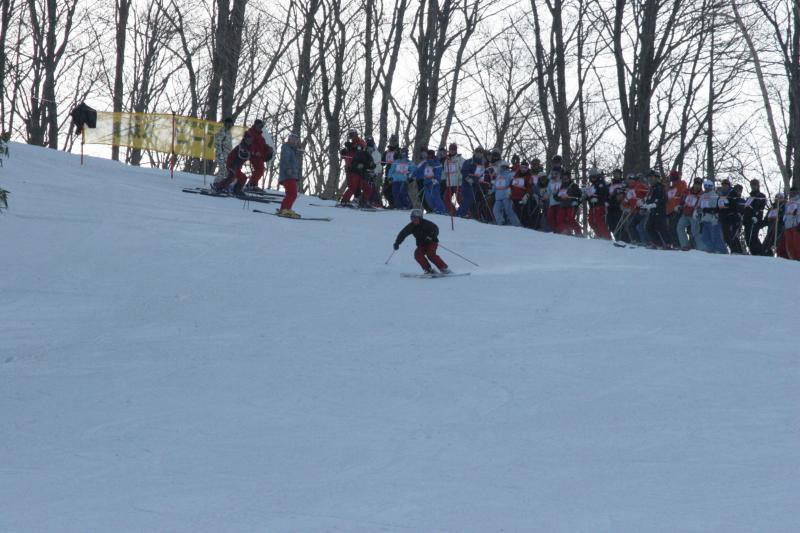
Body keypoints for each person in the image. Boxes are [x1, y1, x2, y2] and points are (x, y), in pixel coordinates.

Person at [393, 209, 450, 275]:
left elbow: (435, 229)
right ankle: (428, 270)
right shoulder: (411, 226)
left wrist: (431, 236)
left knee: (430, 254)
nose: (414, 220)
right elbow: (403, 234)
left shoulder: (426, 223)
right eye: (412, 218)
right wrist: (397, 243)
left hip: (431, 243)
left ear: (420, 218)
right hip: (421, 244)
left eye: (416, 218)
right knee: (417, 254)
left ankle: (444, 268)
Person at [276, 133, 302, 217]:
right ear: (289, 139)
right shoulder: (287, 148)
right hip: (288, 175)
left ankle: (285, 209)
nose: (294, 141)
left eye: (296, 140)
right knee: (292, 193)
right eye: (293, 139)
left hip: (292, 175)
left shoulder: (293, 150)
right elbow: (285, 159)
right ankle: (285, 209)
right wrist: (288, 169)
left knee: (291, 193)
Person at [699, 179, 728, 254]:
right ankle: (711, 249)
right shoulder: (702, 196)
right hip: (704, 219)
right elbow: (699, 206)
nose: (706, 187)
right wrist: (697, 211)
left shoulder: (714, 195)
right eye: (705, 186)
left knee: (716, 237)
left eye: (709, 186)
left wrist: (712, 213)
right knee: (704, 237)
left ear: (711, 187)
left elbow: (717, 208)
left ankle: (722, 251)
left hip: (713, 219)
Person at [676, 178, 705, 251]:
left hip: (694, 215)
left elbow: (703, 206)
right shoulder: (687, 191)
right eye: (696, 184)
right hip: (685, 214)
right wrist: (679, 206)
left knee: (695, 232)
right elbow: (682, 200)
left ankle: (701, 248)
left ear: (701, 185)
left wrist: (699, 211)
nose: (697, 186)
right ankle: (685, 245)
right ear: (693, 184)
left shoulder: (702, 195)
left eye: (699, 184)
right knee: (680, 227)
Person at [642, 171, 669, 248]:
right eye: (648, 178)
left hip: (660, 211)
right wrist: (644, 205)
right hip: (652, 211)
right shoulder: (651, 188)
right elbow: (648, 199)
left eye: (651, 177)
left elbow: (664, 198)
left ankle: (668, 243)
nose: (650, 179)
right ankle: (658, 243)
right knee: (648, 227)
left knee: (662, 228)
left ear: (656, 178)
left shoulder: (661, 187)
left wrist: (655, 204)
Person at [244, 119, 273, 190]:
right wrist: (254, 152)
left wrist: (269, 148)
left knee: (260, 170)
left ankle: (253, 184)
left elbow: (263, 145)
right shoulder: (251, 133)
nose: (260, 128)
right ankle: (251, 184)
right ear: (255, 125)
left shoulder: (260, 136)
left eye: (262, 126)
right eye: (259, 126)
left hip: (260, 156)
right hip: (254, 155)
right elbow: (249, 144)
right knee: (259, 169)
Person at [415, 149, 446, 214]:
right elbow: (419, 170)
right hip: (426, 182)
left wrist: (436, 179)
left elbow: (439, 171)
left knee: (435, 196)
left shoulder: (436, 162)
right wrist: (416, 176)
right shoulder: (425, 163)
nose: (429, 156)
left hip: (434, 182)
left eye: (431, 155)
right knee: (428, 197)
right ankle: (434, 209)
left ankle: (441, 210)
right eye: (428, 155)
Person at [742, 179, 767, 255]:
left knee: (753, 237)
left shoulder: (761, 195)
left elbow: (760, 207)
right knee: (747, 238)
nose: (753, 187)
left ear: (758, 186)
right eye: (752, 185)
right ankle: (754, 253)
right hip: (747, 220)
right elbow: (746, 208)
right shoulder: (750, 197)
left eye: (755, 185)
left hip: (755, 219)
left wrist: (756, 215)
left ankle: (760, 253)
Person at [492, 161, 521, 226]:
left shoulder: (510, 175)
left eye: (503, 167)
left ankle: (516, 224)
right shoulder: (498, 176)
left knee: (509, 211)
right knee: (496, 210)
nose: (501, 168)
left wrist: (510, 191)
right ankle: (501, 222)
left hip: (506, 196)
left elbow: (514, 183)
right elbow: (495, 185)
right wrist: (491, 190)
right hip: (498, 197)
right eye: (501, 167)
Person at [585, 168, 610, 239]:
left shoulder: (601, 184)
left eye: (594, 177)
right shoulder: (591, 186)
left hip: (600, 205)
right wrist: (587, 196)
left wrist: (597, 199)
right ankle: (599, 235)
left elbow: (604, 194)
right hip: (592, 206)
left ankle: (607, 237)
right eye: (591, 177)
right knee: (591, 221)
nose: (593, 179)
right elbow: (589, 196)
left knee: (598, 220)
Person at [556, 171, 582, 236]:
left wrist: (576, 201)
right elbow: (557, 197)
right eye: (563, 178)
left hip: (571, 205)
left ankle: (578, 232)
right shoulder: (561, 186)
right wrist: (557, 196)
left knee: (570, 219)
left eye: (566, 178)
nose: (565, 180)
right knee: (559, 219)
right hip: (563, 205)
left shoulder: (573, 185)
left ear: (569, 178)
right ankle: (566, 231)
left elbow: (579, 195)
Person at [665, 170, 688, 246]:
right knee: (669, 228)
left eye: (674, 176)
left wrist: (680, 205)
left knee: (674, 227)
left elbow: (684, 195)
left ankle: (678, 244)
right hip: (669, 211)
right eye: (671, 176)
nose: (672, 178)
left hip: (677, 209)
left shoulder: (682, 184)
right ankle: (674, 244)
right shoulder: (669, 188)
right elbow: (667, 198)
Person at [442, 143, 464, 215]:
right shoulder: (446, 160)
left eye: (453, 149)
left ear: (456, 150)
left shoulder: (460, 159)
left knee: (458, 198)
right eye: (451, 149)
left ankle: (460, 211)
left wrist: (461, 176)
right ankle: (452, 211)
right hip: (449, 182)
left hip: (457, 182)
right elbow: (445, 171)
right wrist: (443, 178)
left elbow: (463, 169)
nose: (452, 151)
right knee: (447, 198)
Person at [212, 117, 234, 183]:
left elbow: (228, 145)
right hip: (221, 154)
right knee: (223, 169)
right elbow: (217, 143)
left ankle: (222, 184)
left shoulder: (228, 132)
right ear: (226, 124)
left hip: (227, 154)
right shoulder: (222, 131)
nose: (230, 126)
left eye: (231, 124)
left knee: (227, 170)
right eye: (229, 124)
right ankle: (216, 183)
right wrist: (220, 154)